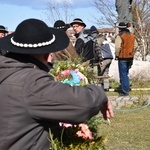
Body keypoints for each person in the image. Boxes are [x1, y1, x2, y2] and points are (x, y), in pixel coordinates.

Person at [0, 18, 114, 150]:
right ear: (47, 55)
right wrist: (100, 94)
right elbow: (83, 104)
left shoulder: (8, 73)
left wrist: (66, 131)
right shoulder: (30, 82)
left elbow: (20, 123)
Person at [115, 22, 138, 96]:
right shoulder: (132, 35)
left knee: (123, 74)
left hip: (122, 57)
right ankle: (126, 88)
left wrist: (116, 54)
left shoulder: (120, 36)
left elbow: (118, 47)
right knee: (126, 74)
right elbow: (135, 46)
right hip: (130, 57)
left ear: (120, 28)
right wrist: (131, 52)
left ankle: (124, 91)